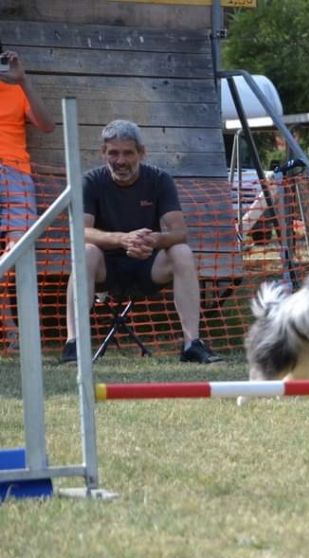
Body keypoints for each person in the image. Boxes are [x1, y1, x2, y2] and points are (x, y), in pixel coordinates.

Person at [60, 120, 222, 364]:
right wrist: (122, 239)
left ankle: (192, 343)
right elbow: (78, 231)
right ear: (103, 153)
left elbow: (180, 232)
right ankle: (74, 344)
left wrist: (154, 240)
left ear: (142, 153)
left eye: (128, 153)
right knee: (86, 251)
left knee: (182, 252)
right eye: (113, 153)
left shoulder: (159, 180)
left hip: (149, 267)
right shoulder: (90, 182)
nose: (120, 160)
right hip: (106, 270)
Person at [1, 48, 55, 347]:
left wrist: (22, 81)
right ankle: (10, 328)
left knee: (18, 251)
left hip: (15, 171)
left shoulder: (15, 88)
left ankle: (20, 329)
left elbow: (47, 126)